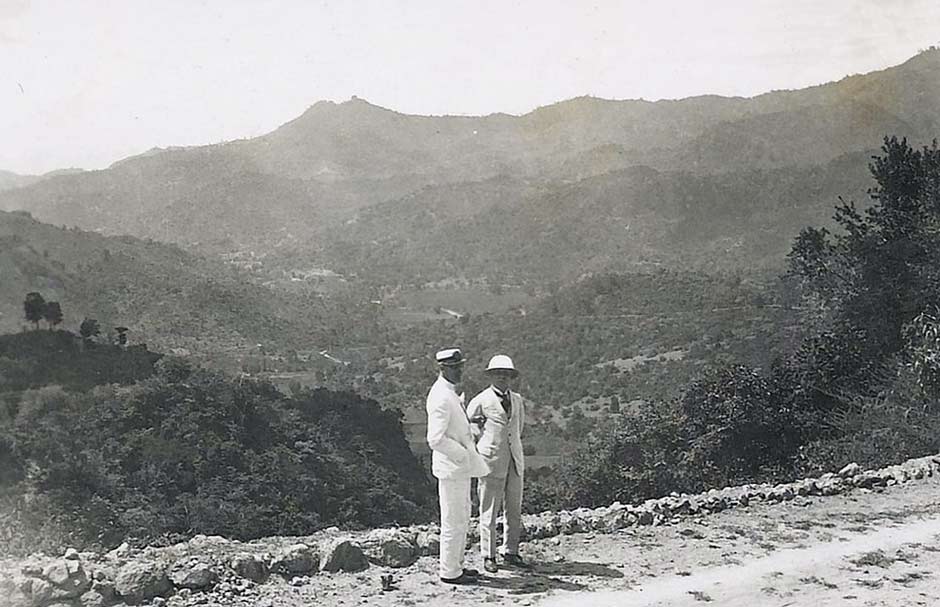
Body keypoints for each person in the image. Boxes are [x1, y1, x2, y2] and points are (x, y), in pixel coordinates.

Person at [426, 347, 489, 584]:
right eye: (454, 367)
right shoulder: (441, 396)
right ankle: (449, 572)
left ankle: (457, 566)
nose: (459, 370)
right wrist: (462, 454)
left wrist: (471, 427)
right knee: (453, 520)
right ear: (442, 368)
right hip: (452, 468)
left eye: (460, 366)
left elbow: (454, 429)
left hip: (458, 469)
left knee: (462, 516)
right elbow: (435, 438)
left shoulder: (449, 393)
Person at [466, 354, 527, 573]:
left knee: (514, 508)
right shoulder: (481, 400)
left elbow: (518, 428)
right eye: (498, 373)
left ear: (511, 377)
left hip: (514, 460)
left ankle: (510, 551)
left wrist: (512, 449)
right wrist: (484, 444)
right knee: (489, 509)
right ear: (491, 376)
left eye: (506, 374)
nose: (503, 377)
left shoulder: (518, 400)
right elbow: (469, 426)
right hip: (491, 461)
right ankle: (488, 555)